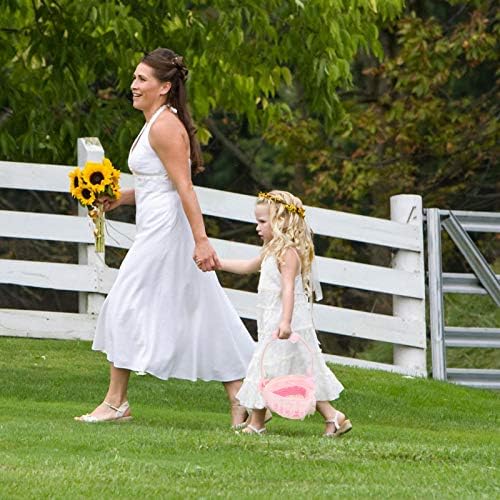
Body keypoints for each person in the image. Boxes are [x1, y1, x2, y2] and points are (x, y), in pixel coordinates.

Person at [75, 48, 254, 426]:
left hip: (166, 231)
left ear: (165, 87)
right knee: (203, 307)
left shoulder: (164, 126)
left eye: (142, 79)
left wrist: (201, 241)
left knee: (123, 303)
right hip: (158, 224)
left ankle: (115, 402)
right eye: (135, 78)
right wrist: (120, 197)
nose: (133, 85)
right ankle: (243, 398)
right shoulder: (156, 121)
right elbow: (159, 184)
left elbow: (185, 188)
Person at [217, 190, 352, 436]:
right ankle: (334, 417)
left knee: (266, 367)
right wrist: (218, 264)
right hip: (271, 318)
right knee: (290, 369)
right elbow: (248, 267)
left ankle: (256, 424)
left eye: (262, 222)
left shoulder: (287, 252)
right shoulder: (271, 249)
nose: (257, 227)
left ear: (280, 221)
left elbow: (289, 288)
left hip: (285, 320)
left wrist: (286, 321)